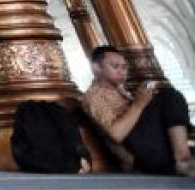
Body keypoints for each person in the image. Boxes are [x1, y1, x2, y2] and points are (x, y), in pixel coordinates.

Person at [81, 45, 195, 176]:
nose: (122, 71)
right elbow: (116, 135)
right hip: (135, 154)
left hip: (150, 144)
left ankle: (183, 156)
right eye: (115, 66)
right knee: (167, 96)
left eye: (124, 67)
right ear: (96, 68)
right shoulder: (94, 95)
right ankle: (183, 158)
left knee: (169, 96)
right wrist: (139, 104)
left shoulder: (121, 90)